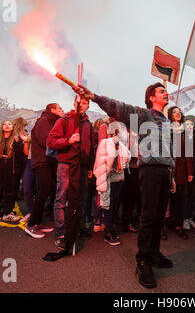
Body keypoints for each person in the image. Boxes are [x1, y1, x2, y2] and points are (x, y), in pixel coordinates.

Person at [73, 82, 176, 289]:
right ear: (151, 97)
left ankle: (154, 252)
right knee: (148, 216)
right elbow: (118, 107)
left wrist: (171, 174)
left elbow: (169, 150)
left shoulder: (167, 121)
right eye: (161, 91)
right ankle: (143, 261)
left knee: (158, 216)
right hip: (151, 172)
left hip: (165, 171)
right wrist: (94, 96)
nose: (166, 92)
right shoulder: (145, 115)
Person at [47, 96, 95, 252]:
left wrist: (89, 167)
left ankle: (75, 228)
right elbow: (51, 141)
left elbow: (91, 148)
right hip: (66, 165)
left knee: (79, 200)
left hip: (82, 167)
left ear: (88, 106)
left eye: (85, 103)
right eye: (79, 102)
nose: (81, 105)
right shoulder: (64, 120)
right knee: (61, 198)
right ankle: (61, 234)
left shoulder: (88, 124)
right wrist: (68, 140)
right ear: (74, 103)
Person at [25, 103, 63, 239]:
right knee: (43, 191)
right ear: (52, 110)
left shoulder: (51, 121)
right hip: (42, 161)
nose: (62, 110)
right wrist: (64, 143)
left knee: (48, 191)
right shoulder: (44, 121)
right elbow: (47, 141)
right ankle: (31, 224)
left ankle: (38, 221)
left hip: (48, 161)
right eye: (60, 108)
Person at [93, 122, 130, 246]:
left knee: (114, 204)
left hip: (118, 179)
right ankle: (107, 232)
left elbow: (125, 160)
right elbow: (101, 162)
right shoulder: (106, 143)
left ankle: (111, 228)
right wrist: (102, 180)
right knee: (108, 205)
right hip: (109, 179)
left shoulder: (121, 145)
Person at [168, 106, 193, 239]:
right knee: (168, 200)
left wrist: (190, 171)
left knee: (181, 199)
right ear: (170, 115)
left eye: (179, 111)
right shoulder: (167, 129)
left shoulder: (184, 132)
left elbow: (188, 153)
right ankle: (167, 223)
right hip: (169, 169)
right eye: (174, 111)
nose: (177, 113)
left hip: (182, 171)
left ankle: (179, 226)